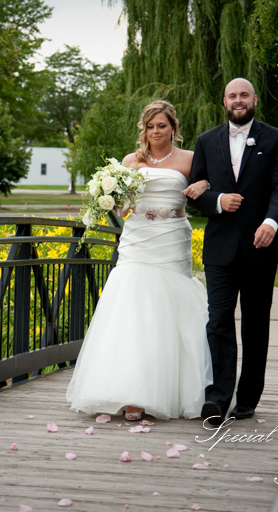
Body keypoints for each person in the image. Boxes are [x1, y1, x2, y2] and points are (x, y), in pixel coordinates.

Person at [66, 100, 213, 421]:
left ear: (173, 127)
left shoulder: (190, 159)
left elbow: (208, 189)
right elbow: (123, 209)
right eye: (150, 126)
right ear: (143, 129)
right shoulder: (131, 161)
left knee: (167, 312)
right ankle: (130, 393)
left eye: (161, 125)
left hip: (173, 238)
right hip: (138, 238)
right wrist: (112, 198)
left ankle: (166, 390)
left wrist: (206, 183)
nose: (156, 132)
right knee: (132, 311)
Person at [182, 78, 278, 424]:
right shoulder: (205, 141)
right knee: (218, 322)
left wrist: (271, 223)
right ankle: (217, 398)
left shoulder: (276, 139)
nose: (238, 100)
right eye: (232, 95)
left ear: (254, 99)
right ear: (224, 101)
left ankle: (247, 400)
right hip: (220, 248)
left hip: (261, 245)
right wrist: (217, 200)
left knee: (256, 325)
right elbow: (194, 190)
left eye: (244, 94)